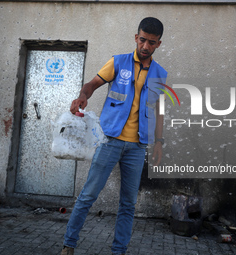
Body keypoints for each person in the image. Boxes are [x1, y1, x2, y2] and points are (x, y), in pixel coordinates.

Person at [61, 17, 167, 255]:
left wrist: (158, 142)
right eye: (142, 40)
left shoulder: (160, 74)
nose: (145, 46)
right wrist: (82, 96)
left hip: (137, 147)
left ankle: (119, 251)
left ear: (158, 44)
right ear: (136, 37)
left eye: (151, 42)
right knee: (88, 195)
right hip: (109, 140)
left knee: (128, 204)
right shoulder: (118, 63)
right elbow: (92, 84)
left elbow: (158, 110)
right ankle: (69, 245)